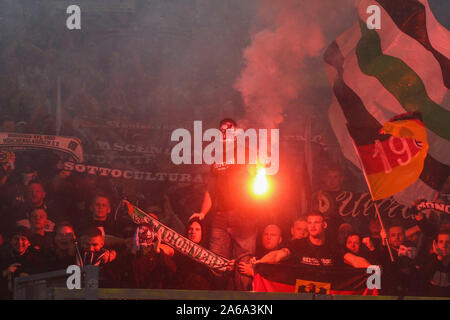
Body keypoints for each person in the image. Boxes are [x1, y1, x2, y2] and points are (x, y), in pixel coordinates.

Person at [190, 118, 257, 291]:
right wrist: (203, 213)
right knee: (217, 264)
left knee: (243, 266)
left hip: (243, 215)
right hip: (221, 216)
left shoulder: (245, 151)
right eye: (222, 130)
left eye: (229, 129)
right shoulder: (216, 157)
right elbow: (210, 190)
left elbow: (256, 173)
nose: (225, 132)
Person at [254, 212, 367, 268]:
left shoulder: (333, 247)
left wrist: (373, 269)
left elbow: (354, 260)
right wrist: (259, 263)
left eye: (316, 222)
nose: (312, 226)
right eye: (309, 223)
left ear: (324, 225)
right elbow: (277, 255)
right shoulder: (297, 244)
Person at [0, 227, 44, 299]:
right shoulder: (3, 256)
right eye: (16, 239)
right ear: (10, 241)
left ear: (28, 242)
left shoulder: (36, 257)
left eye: (23, 239)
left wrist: (30, 276)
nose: (19, 242)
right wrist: (5, 272)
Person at [173, 218, 215, 290]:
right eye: (190, 229)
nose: (193, 232)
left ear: (202, 232)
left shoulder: (210, 254)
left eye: (197, 229)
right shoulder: (180, 250)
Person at [419, 230, 450, 297]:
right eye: (441, 242)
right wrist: (439, 258)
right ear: (436, 244)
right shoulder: (430, 259)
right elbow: (423, 278)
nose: (444, 246)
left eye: (448, 242)